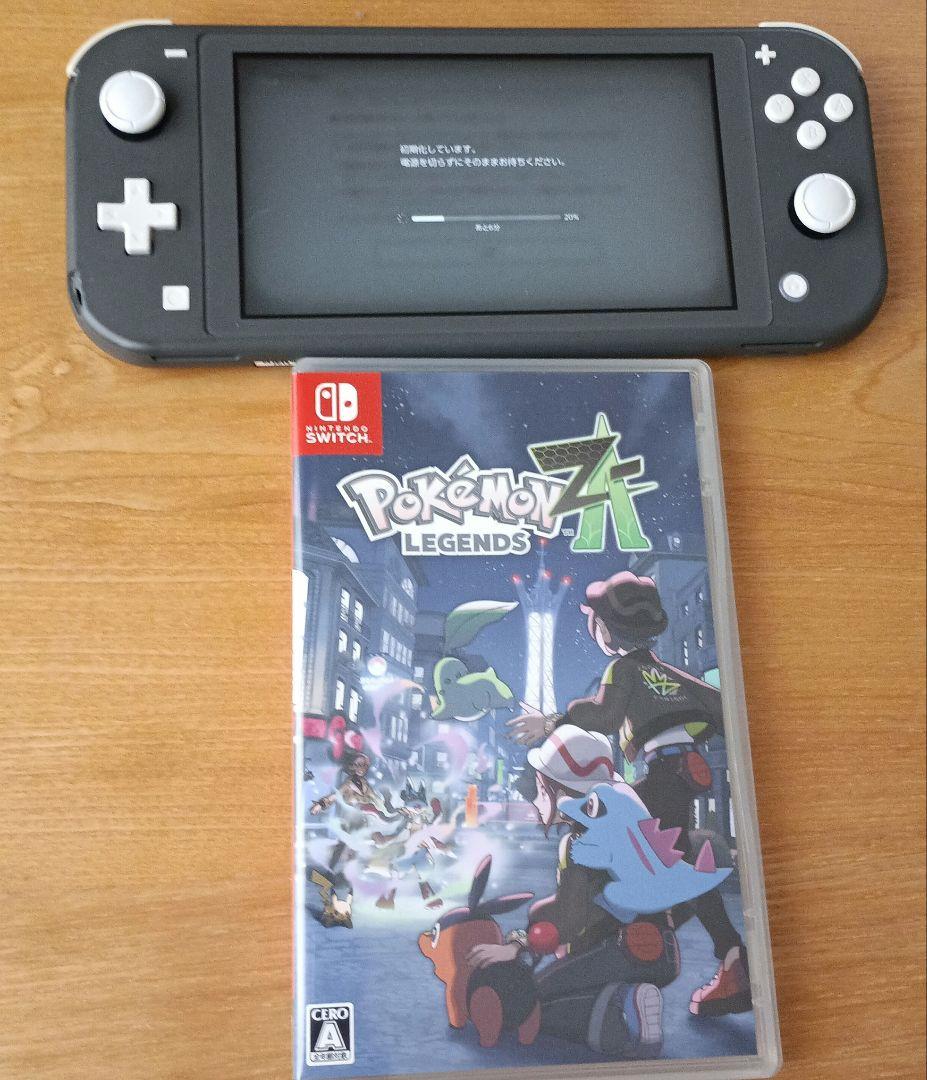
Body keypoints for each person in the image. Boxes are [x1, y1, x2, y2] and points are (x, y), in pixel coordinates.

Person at [507, 571, 751, 1019]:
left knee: (604, 834)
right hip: (684, 769)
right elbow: (722, 708)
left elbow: (604, 716)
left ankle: (626, 936)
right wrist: (691, 730)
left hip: (663, 770)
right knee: (678, 854)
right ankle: (728, 957)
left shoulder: (622, 669)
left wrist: (552, 722)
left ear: (606, 627)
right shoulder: (669, 672)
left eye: (595, 624)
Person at [469, 725, 677, 1057]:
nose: (536, 799)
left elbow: (571, 916)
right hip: (664, 952)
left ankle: (623, 1003)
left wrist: (518, 945)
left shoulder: (581, 842)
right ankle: (627, 996)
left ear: (559, 790)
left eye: (541, 789)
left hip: (621, 952)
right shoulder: (629, 822)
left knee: (532, 1001)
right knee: (567, 975)